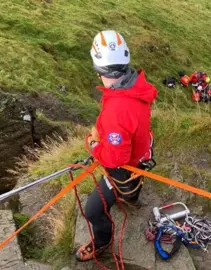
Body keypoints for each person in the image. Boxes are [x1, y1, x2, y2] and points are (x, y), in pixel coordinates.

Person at [75, 30, 158, 262]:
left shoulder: (116, 110)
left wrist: (93, 145)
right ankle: (130, 197)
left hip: (126, 165)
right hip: (141, 154)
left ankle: (101, 243)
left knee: (93, 210)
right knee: (131, 187)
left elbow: (115, 159)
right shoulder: (136, 87)